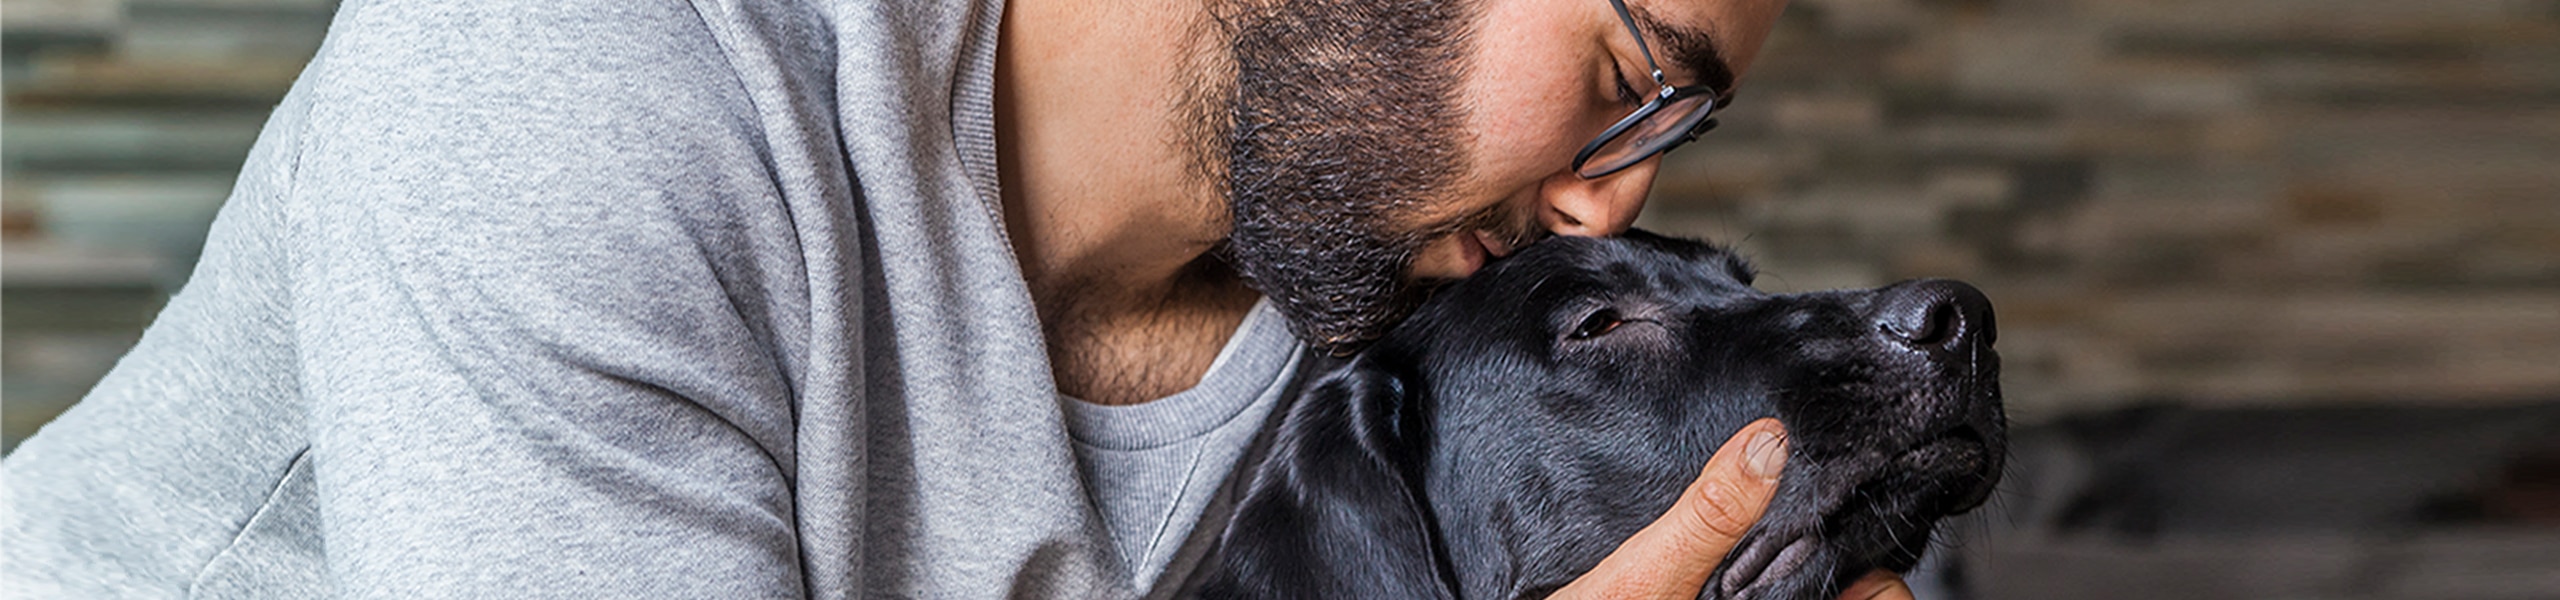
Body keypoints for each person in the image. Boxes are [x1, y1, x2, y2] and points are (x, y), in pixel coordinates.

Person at [1, 0, 1910, 597]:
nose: (1610, 195)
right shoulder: (585, 80)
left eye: (1680, 115)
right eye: (1623, 60)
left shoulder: (1375, 304)